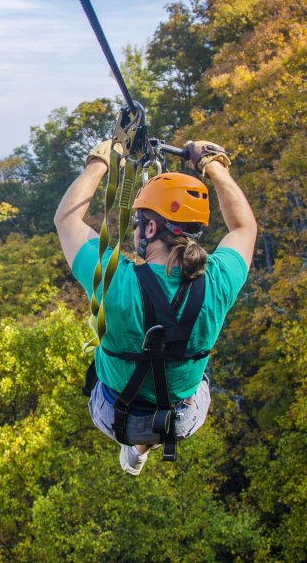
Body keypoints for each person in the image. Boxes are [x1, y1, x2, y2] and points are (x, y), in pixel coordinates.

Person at [52, 139, 257, 475]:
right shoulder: (218, 281)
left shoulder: (114, 281)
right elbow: (244, 227)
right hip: (181, 420)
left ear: (150, 228)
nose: (136, 228)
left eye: (138, 223)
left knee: (122, 363)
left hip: (114, 415)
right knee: (191, 369)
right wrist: (213, 167)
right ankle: (145, 442)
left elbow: (67, 220)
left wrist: (101, 161)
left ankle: (137, 444)